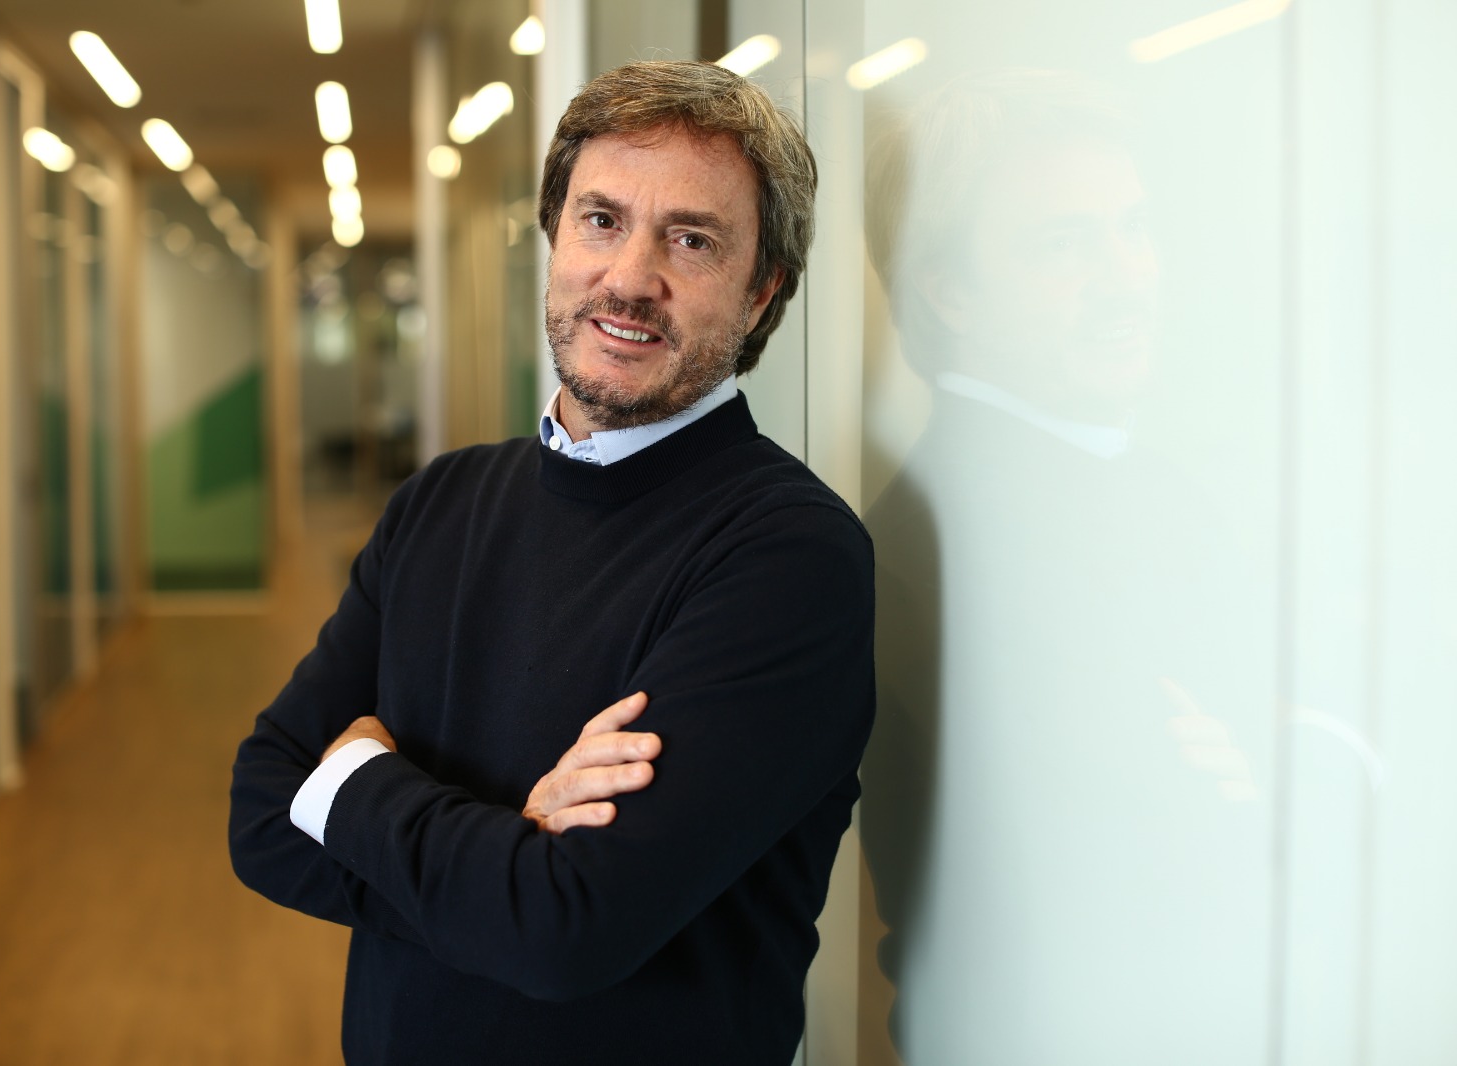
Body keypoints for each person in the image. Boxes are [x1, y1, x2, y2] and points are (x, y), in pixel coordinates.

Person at [229, 61, 875, 1066]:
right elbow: (262, 815)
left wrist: (352, 778)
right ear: (554, 237)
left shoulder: (788, 554)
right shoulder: (439, 502)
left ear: (760, 294)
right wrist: (510, 849)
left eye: (691, 240)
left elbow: (564, 929)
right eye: (601, 220)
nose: (630, 278)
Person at [860, 70, 1268, 1063]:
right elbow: (1136, 874)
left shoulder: (1159, 491)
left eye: (1134, 229)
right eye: (1063, 245)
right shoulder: (939, 546)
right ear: (949, 290)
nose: (1126, 278)